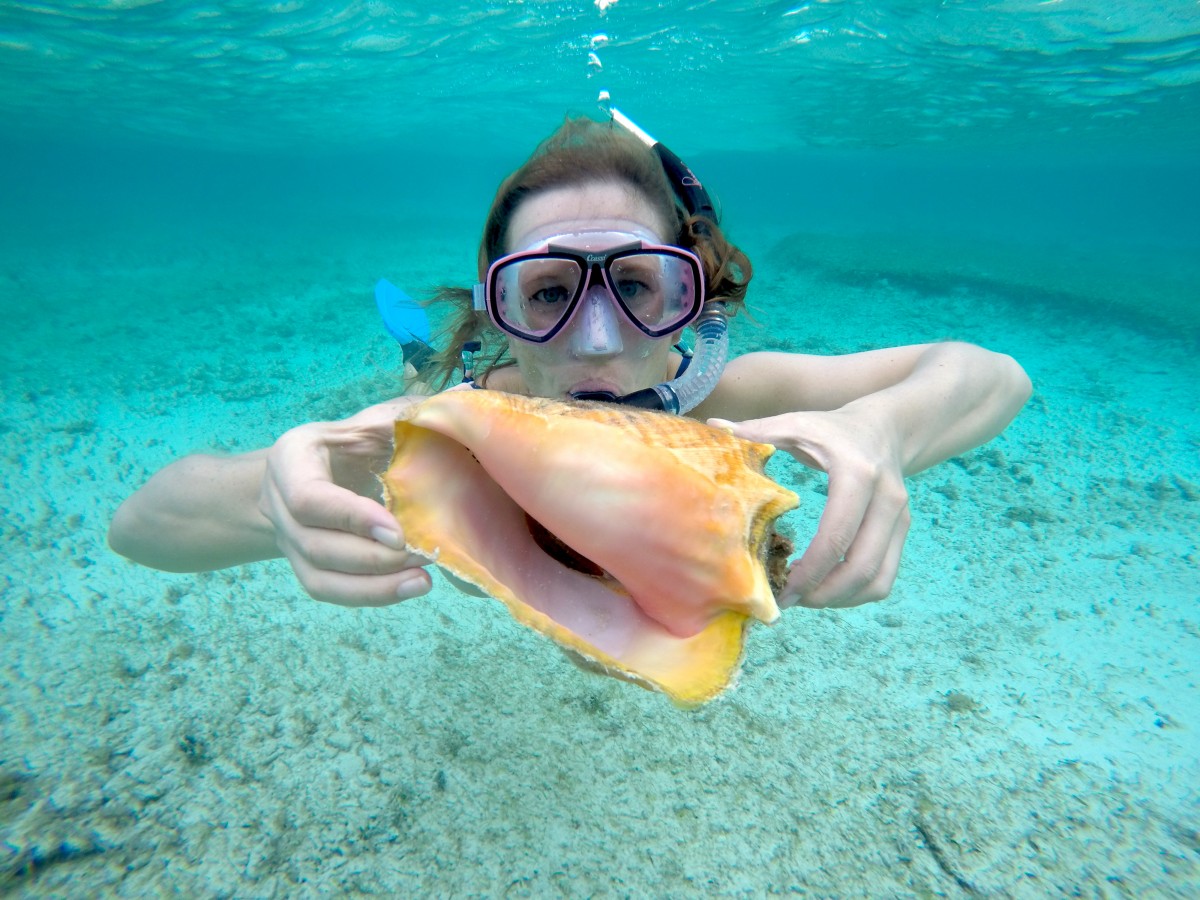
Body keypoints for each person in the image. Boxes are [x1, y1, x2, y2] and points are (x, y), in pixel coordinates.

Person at [108, 113, 1031, 613]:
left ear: (695, 303)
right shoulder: (449, 440)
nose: (597, 342)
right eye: (547, 293)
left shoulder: (732, 397)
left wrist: (884, 426)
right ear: (501, 308)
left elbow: (994, 375)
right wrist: (272, 501)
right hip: (460, 379)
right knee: (421, 373)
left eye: (639, 284)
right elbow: (140, 527)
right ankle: (420, 342)